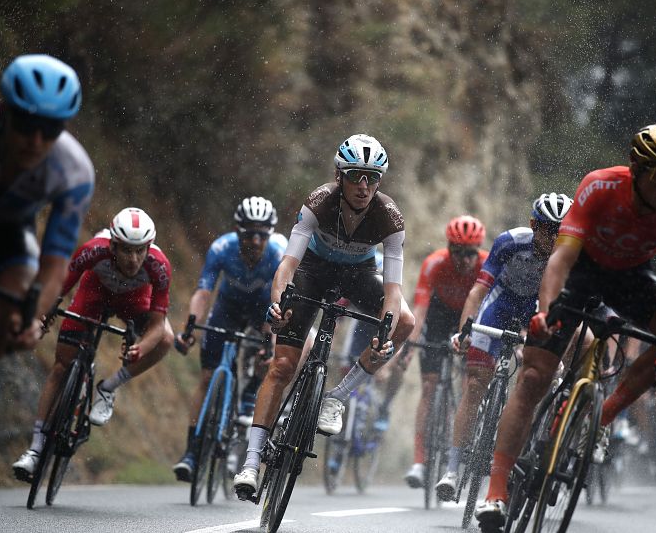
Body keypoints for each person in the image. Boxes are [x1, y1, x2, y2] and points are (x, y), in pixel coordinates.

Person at [476, 123, 656, 531]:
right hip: (583, 271)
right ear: (637, 170)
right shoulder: (600, 187)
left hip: (632, 278)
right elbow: (560, 261)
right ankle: (495, 491)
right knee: (532, 375)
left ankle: (601, 419)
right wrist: (545, 313)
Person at [232, 133, 415, 498]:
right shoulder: (319, 202)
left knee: (406, 322)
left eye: (373, 178)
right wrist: (276, 301)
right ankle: (251, 462)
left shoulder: (390, 218)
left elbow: (393, 292)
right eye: (355, 176)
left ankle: (337, 397)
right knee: (282, 366)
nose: (364, 187)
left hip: (359, 275)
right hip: (313, 271)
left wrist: (386, 329)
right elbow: (288, 263)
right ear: (338, 175)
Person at [0, 54, 94, 430]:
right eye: (26, 124)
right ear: (3, 114)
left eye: (50, 129)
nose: (35, 140)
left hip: (4, 232)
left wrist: (33, 317)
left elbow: (54, 265)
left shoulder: (73, 171)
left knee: (15, 317)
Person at [12, 208, 174, 479]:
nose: (134, 259)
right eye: (126, 250)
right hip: (94, 295)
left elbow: (157, 325)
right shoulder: (93, 250)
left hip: (134, 302)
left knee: (167, 339)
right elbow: (57, 289)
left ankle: (109, 387)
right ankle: (36, 450)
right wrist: (42, 316)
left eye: (140, 251)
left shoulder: (159, 265)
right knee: (61, 367)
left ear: (149, 247)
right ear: (113, 245)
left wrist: (141, 347)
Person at [433, 193, 572, 501]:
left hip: (538, 309)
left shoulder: (568, 253)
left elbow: (564, 304)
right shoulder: (510, 242)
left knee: (534, 381)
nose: (555, 237)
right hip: (501, 304)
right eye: (549, 229)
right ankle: (453, 470)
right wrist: (464, 332)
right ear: (534, 225)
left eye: (561, 231)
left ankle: (517, 460)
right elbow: (479, 291)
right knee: (475, 383)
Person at [171, 197, 286, 482]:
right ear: (238, 231)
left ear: (270, 234)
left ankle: (249, 397)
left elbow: (281, 303)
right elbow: (203, 291)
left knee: (267, 359)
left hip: (263, 311)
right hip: (228, 309)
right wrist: (189, 328)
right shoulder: (222, 248)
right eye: (249, 233)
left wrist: (270, 342)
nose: (256, 240)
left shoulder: (278, 253)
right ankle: (191, 452)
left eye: (262, 234)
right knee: (208, 376)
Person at [401, 216, 489, 488]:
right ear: (448, 248)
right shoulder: (435, 263)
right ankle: (419, 461)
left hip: (473, 318)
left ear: (479, 251)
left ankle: (460, 446)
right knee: (429, 386)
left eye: (470, 253)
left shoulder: (487, 265)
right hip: (439, 317)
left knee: (469, 384)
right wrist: (409, 347)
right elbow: (420, 309)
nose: (463, 259)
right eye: (457, 252)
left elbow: (488, 309)